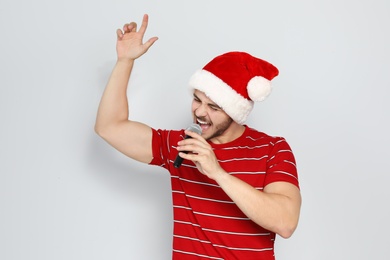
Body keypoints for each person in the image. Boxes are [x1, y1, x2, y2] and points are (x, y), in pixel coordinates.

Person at [95, 14, 301, 260]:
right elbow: (109, 126)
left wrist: (217, 173)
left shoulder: (273, 149)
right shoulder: (181, 145)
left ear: (235, 111)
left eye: (213, 107)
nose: (200, 112)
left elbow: (286, 222)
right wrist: (124, 61)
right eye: (196, 100)